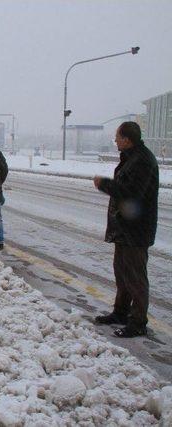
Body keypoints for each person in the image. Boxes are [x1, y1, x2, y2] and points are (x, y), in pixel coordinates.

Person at [93, 121, 159, 338]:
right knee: (122, 273)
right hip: (125, 229)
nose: (116, 141)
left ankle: (138, 321)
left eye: (118, 137)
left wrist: (104, 184)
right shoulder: (132, 158)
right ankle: (120, 312)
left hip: (136, 231)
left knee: (135, 277)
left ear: (127, 139)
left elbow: (132, 193)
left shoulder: (142, 161)